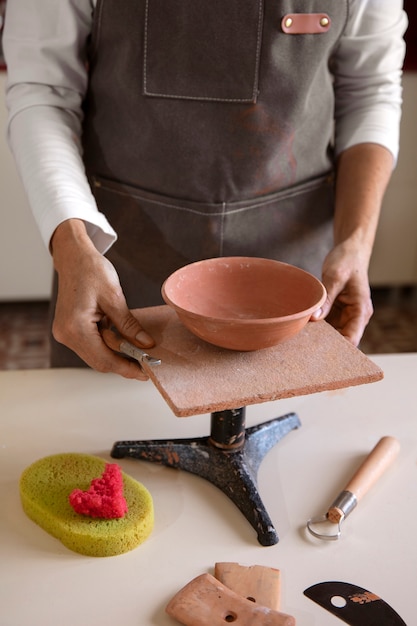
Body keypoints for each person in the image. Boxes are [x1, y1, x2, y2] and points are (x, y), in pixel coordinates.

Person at [3, 1, 407, 381]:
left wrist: (356, 241)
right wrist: (72, 246)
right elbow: (44, 90)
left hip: (294, 269)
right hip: (119, 268)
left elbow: (370, 88)